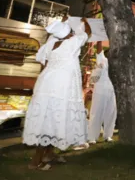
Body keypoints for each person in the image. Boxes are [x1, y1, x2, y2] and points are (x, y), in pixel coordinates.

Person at [23, 16, 92, 170]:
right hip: (61, 87)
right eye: (71, 32)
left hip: (46, 84)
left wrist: (65, 21)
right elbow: (87, 32)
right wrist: (85, 22)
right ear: (68, 34)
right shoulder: (71, 43)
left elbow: (44, 58)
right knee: (51, 121)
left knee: (52, 119)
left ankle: (49, 154)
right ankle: (35, 162)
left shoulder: (50, 44)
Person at [87, 42, 117, 144]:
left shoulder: (116, 64)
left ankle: (108, 135)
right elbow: (99, 50)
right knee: (96, 113)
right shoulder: (102, 60)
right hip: (100, 90)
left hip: (112, 91)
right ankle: (92, 137)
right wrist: (99, 39)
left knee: (111, 113)